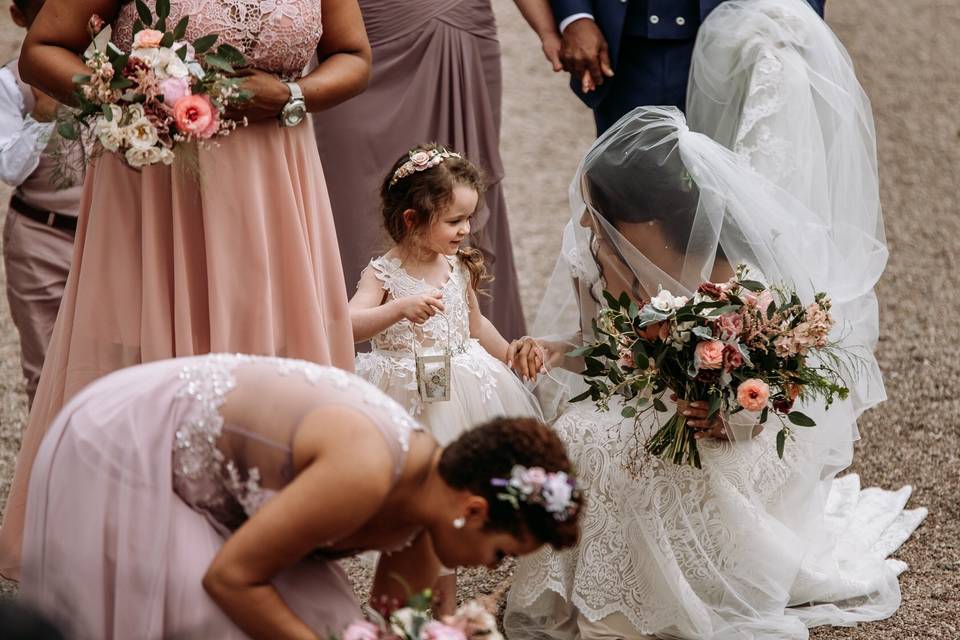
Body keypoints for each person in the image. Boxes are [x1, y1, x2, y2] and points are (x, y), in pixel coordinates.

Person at [503, 107, 926, 639]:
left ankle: (662, 589)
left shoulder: (734, 269)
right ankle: (599, 587)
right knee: (580, 434)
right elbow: (600, 350)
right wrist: (551, 348)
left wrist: (731, 412)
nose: (585, 221)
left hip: (729, 417)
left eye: (594, 208)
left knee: (636, 452)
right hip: (642, 396)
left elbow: (780, 376)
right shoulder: (597, 257)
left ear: (641, 215)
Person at [0, 0, 371, 579]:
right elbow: (42, 51)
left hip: (274, 178)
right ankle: (143, 553)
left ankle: (267, 545)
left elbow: (353, 55)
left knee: (268, 349)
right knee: (155, 353)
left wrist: (295, 96)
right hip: (159, 183)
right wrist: (131, 95)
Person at [18, 353, 583, 640]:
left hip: (227, 483)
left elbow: (394, 626)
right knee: (202, 617)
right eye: (503, 553)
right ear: (474, 510)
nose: (494, 568)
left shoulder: (430, 508)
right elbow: (230, 579)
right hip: (131, 442)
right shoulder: (363, 471)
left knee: (328, 616)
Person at [350, 144, 544, 614]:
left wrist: (511, 352)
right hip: (407, 400)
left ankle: (444, 613)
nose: (466, 230)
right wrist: (396, 308)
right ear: (413, 218)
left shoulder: (457, 268)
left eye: (469, 218)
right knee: (414, 510)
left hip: (461, 392)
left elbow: (475, 327)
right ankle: (404, 608)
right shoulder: (383, 273)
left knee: (447, 508)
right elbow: (347, 323)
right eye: (455, 220)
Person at [687, 0, 887, 414]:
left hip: (770, 77)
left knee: (764, 244)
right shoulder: (774, 33)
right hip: (764, 65)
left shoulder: (770, 42)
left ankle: (761, 390)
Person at [312, 0, 526, 344]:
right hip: (362, 29)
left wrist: (558, 27)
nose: (465, 230)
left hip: (455, 29)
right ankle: (344, 381)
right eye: (460, 225)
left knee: (457, 186)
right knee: (349, 208)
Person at [546, 0, 824, 133]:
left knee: (734, 212)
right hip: (632, 55)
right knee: (628, 208)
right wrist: (574, 15)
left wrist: (794, 20)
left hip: (741, 38)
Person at [0, 0, 81, 407]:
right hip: (39, 238)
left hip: (104, 238)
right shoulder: (10, 84)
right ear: (19, 16)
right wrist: (43, 117)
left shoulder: (111, 75)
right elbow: (10, 170)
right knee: (46, 372)